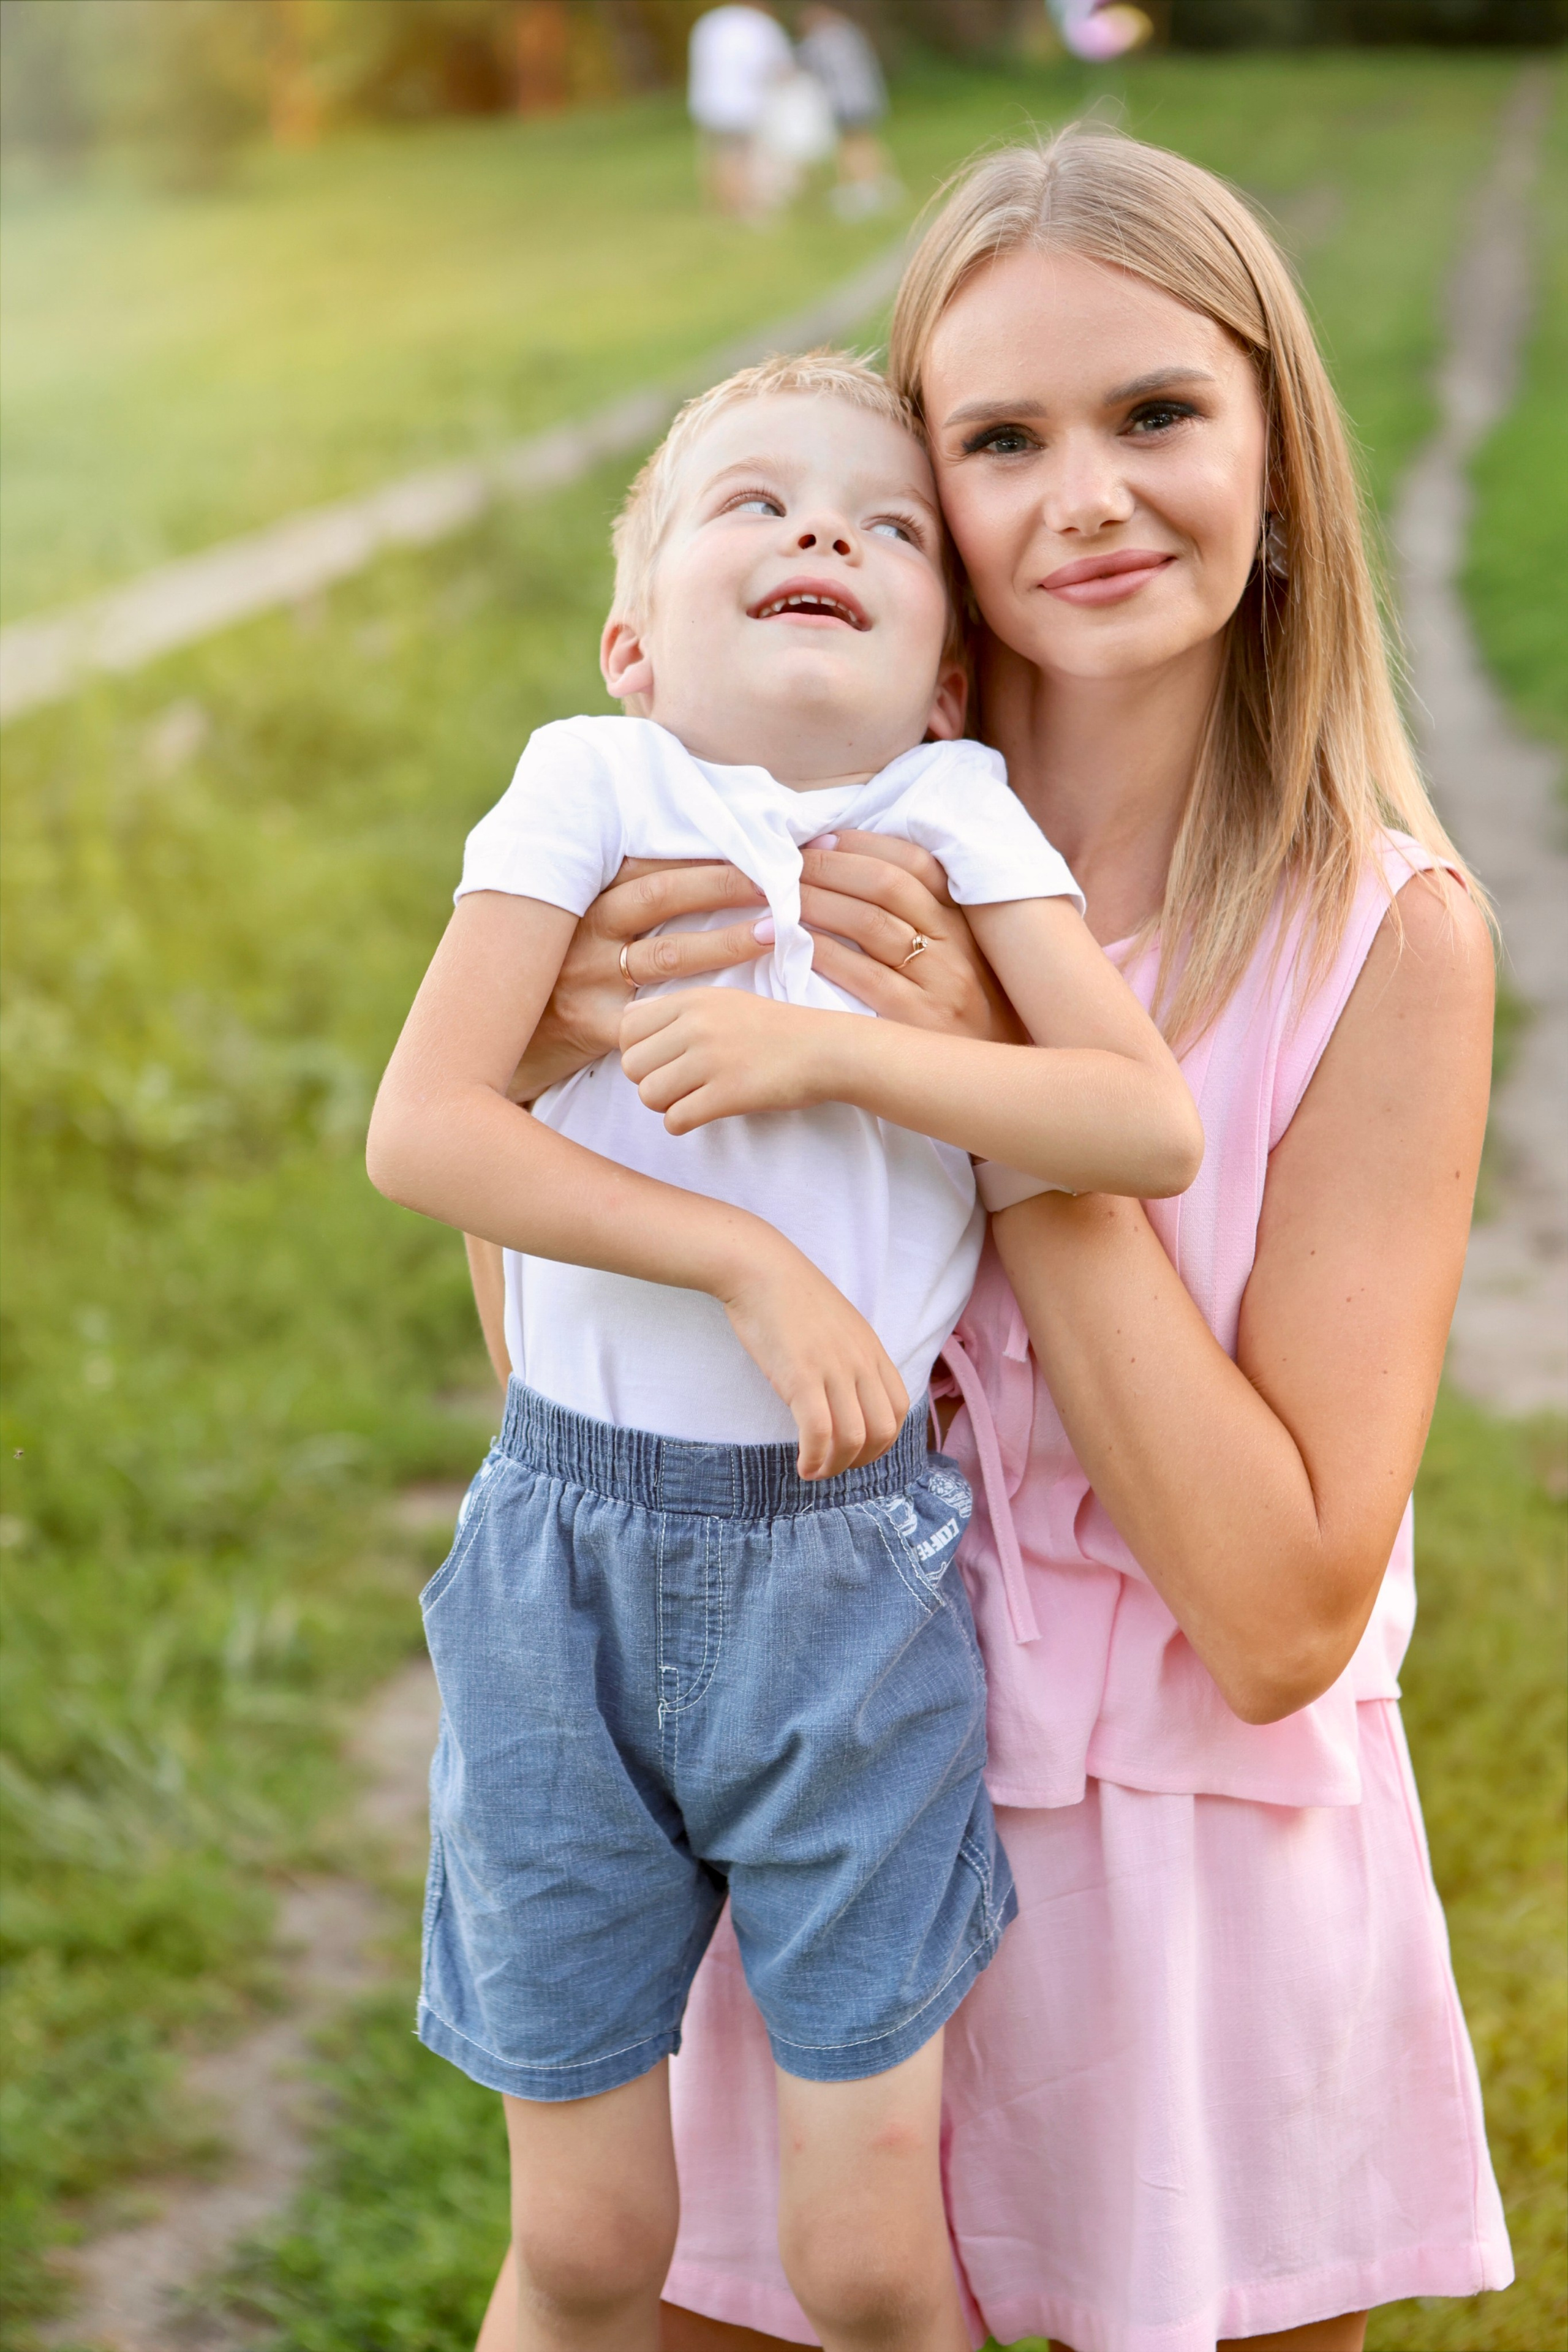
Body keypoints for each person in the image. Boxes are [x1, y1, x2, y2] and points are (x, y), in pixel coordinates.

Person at [471, 127, 1512, 2352]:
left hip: (1188, 1853)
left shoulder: (1375, 944)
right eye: (998, 439)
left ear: (1274, 448)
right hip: (805, 1757)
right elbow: (547, 1353)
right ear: (916, 491)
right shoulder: (756, 846)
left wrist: (977, 1103)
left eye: (1156, 414)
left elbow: (1269, 1614)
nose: (1085, 497)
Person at [368, 346, 1203, 2352]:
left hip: (845, 1588)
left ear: (943, 670)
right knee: (587, 2248)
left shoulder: (956, 806)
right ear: (633, 639)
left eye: (891, 524)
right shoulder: (588, 780)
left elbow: (1142, 1123)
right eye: (756, 500)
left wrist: (834, 1046)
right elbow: (428, 1127)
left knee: (864, 2262)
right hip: (562, 1561)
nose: (824, 526)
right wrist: (746, 1261)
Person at [687, 4, 793, 218]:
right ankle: (744, 205)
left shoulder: (710, 21)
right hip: (745, 103)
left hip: (708, 102)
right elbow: (779, 67)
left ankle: (724, 205)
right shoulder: (761, 25)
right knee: (742, 156)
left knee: (719, 154)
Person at [797, 7, 899, 220]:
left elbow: (804, 63)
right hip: (863, 96)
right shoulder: (847, 32)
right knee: (864, 141)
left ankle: (864, 188)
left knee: (853, 144)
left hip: (846, 101)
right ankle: (877, 184)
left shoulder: (825, 38)